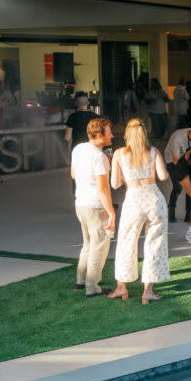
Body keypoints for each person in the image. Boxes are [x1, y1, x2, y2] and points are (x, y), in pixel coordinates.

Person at [109, 118, 170, 304]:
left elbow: (115, 183)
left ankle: (122, 288)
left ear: (127, 134)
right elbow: (163, 176)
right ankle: (148, 292)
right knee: (155, 243)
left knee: (126, 242)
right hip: (154, 199)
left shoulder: (119, 154)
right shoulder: (153, 151)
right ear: (144, 134)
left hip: (133, 200)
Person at [71, 116, 115, 298]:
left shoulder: (78, 149)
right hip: (96, 206)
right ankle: (92, 286)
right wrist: (112, 213)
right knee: (100, 246)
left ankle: (81, 281)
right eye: (109, 131)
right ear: (99, 134)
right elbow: (103, 189)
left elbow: (73, 174)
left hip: (80, 203)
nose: (112, 135)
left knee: (88, 243)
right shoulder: (100, 157)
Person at [164, 126, 191, 223]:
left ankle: (189, 216)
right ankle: (171, 213)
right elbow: (176, 161)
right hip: (173, 162)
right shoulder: (177, 139)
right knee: (178, 188)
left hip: (188, 160)